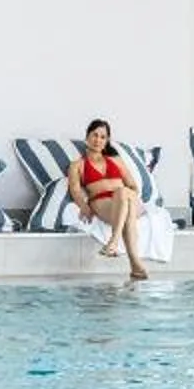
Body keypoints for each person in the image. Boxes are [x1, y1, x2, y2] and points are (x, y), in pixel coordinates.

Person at [67, 119, 150, 282]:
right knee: (125, 205)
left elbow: (133, 186)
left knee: (123, 193)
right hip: (102, 202)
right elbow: (75, 190)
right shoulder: (77, 165)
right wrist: (83, 205)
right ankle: (135, 265)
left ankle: (114, 240)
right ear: (87, 137)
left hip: (127, 197)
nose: (98, 140)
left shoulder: (116, 160)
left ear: (107, 141)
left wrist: (125, 194)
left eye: (103, 137)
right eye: (95, 135)